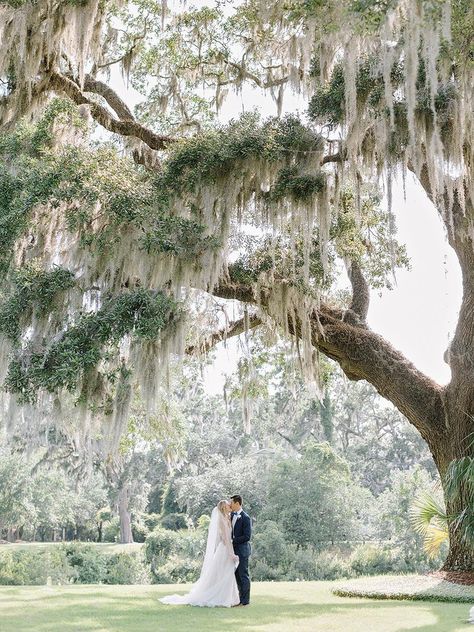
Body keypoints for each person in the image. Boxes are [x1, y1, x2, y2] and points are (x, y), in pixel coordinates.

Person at [159, 500, 240, 607]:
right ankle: (223, 598)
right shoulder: (221, 520)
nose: (230, 506)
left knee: (226, 573)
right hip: (225, 549)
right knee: (225, 573)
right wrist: (231, 554)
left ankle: (232, 598)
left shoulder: (227, 518)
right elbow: (225, 539)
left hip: (228, 548)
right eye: (228, 505)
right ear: (224, 508)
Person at [230, 494, 251, 606]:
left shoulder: (245, 517)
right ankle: (239, 598)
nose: (230, 505)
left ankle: (245, 601)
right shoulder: (231, 515)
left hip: (242, 551)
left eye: (232, 503)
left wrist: (233, 541)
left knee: (243, 575)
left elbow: (247, 536)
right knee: (236, 575)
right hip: (232, 552)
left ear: (237, 503)